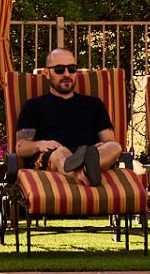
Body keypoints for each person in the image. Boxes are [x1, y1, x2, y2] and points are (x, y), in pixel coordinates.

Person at [14, 47, 122, 186]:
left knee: (115, 147)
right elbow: (21, 147)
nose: (67, 74)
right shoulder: (34, 106)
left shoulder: (94, 104)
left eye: (71, 69)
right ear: (47, 73)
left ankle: (84, 168)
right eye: (59, 69)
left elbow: (108, 140)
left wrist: (101, 147)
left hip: (88, 152)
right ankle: (83, 172)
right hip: (52, 155)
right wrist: (40, 144)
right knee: (61, 152)